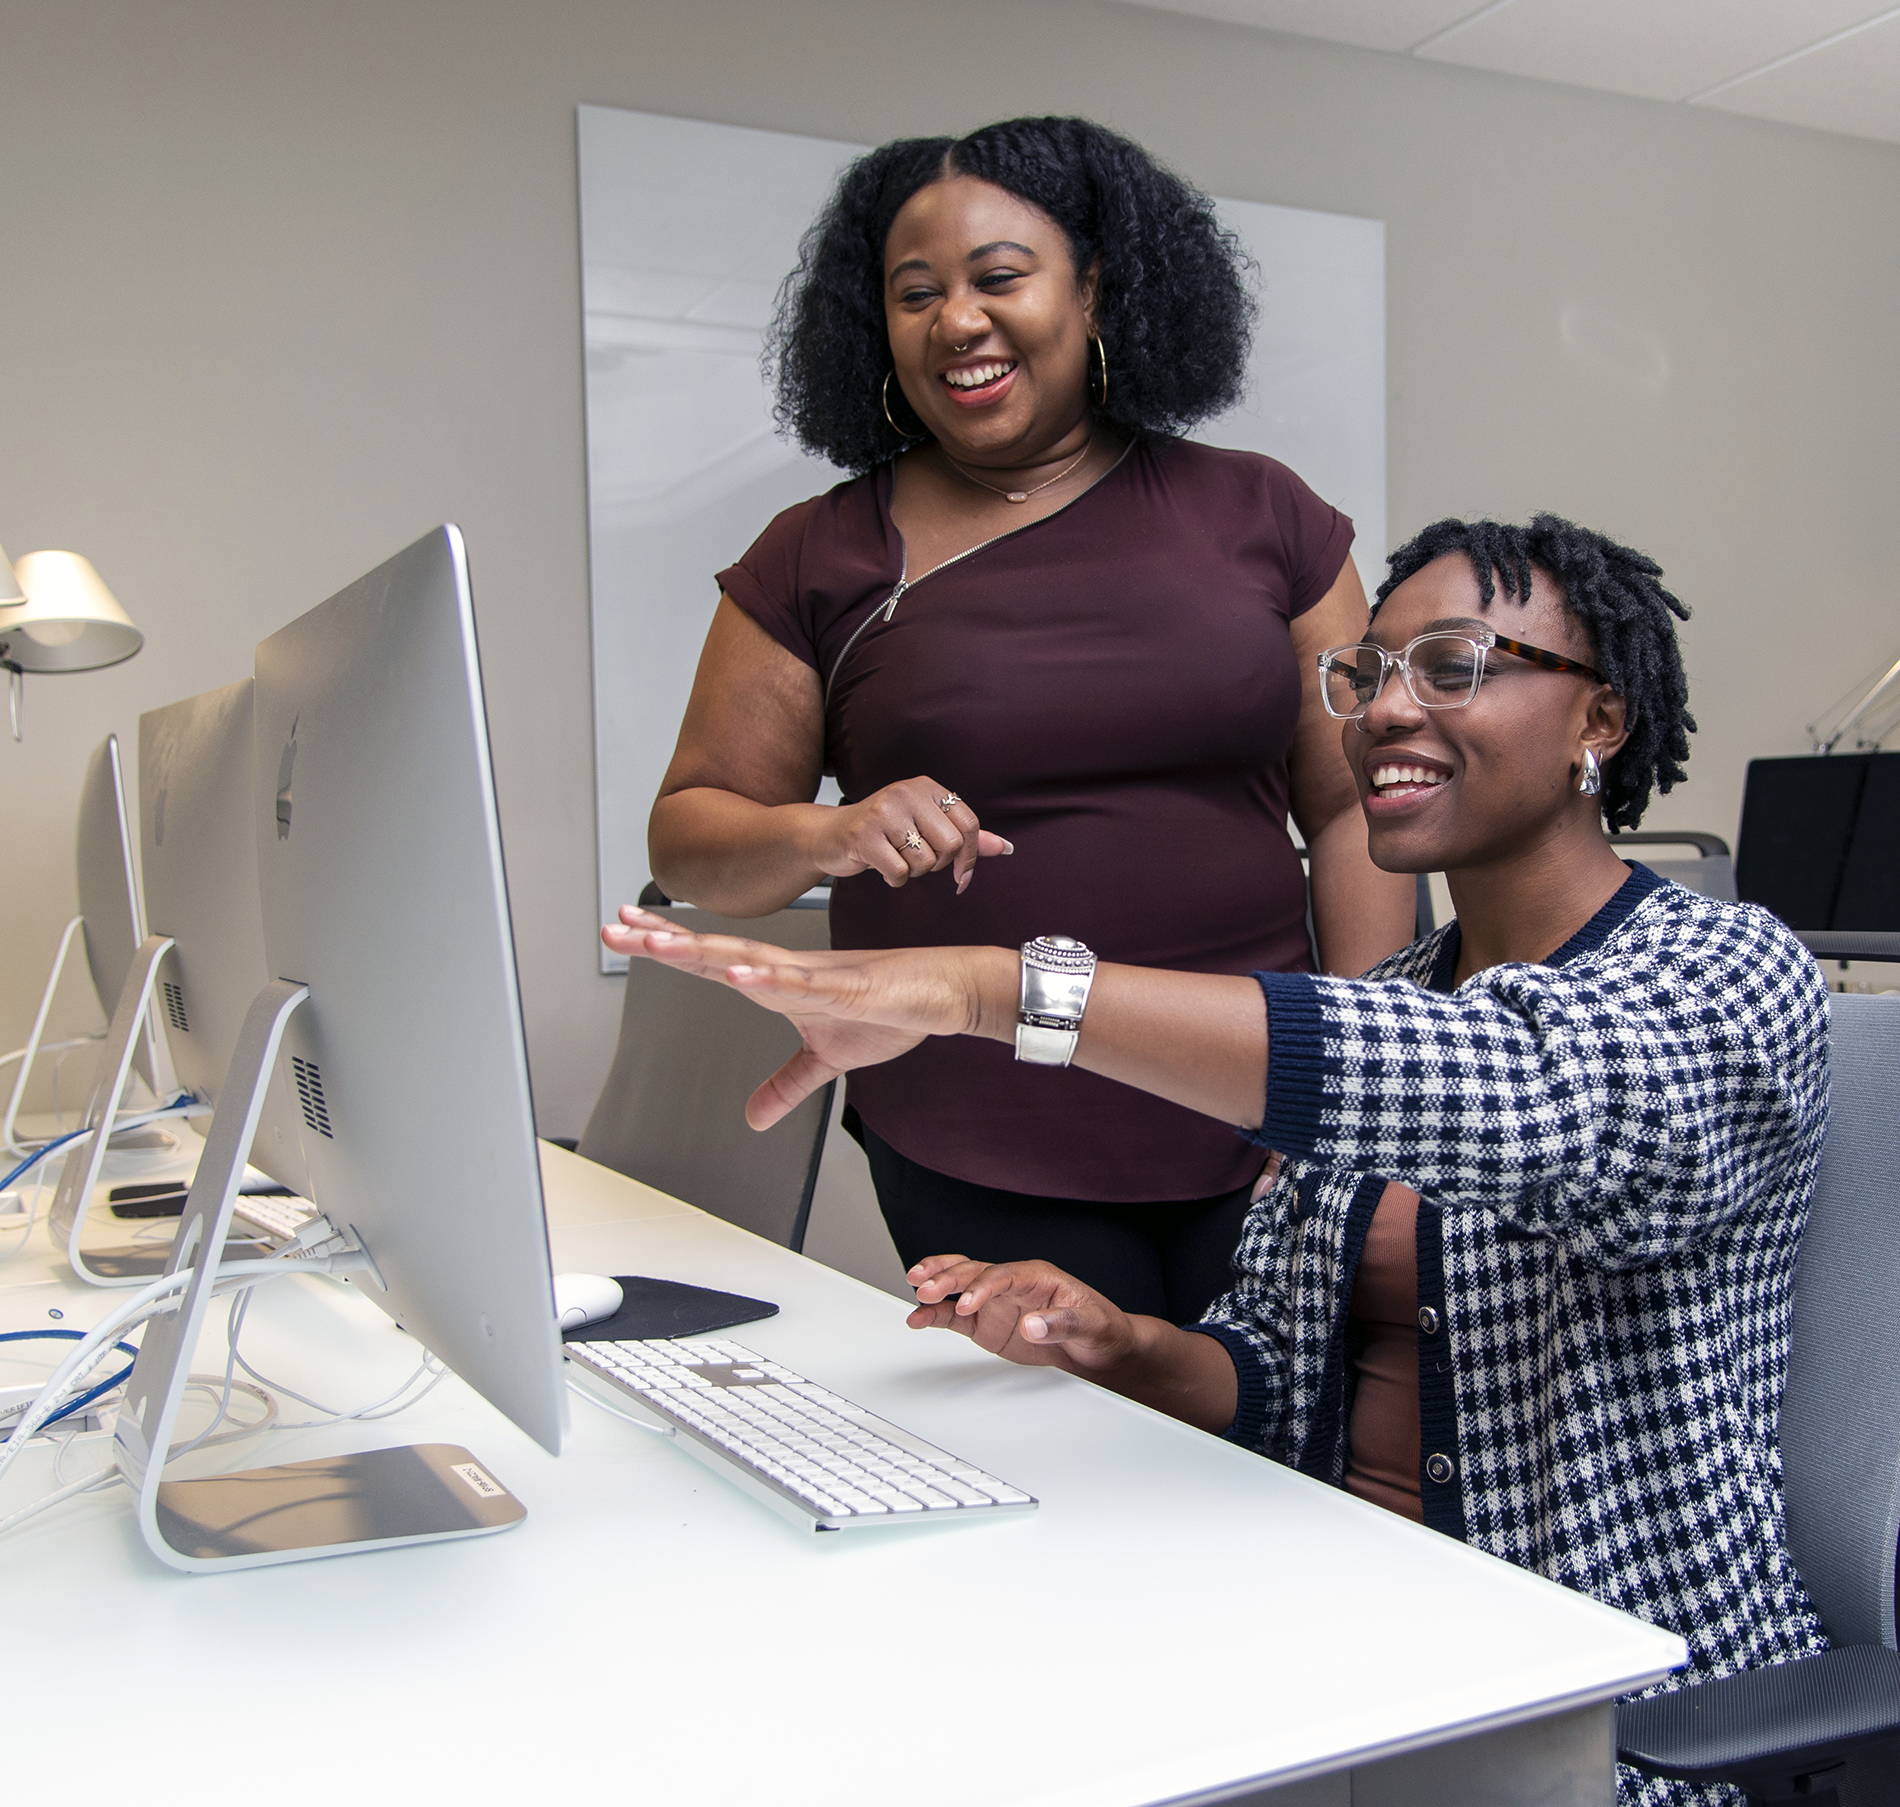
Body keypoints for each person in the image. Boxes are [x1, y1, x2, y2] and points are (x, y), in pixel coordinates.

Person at [608, 515, 1830, 1806]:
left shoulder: (1727, 972)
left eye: (1456, 664)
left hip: (1604, 1720)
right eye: (1365, 675)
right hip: (1341, 1657)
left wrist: (989, 986)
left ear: (1602, 720)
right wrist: (1116, 1342)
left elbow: (1521, 1093)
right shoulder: (1401, 989)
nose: (1386, 711)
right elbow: (1272, 1377)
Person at [645, 116, 1416, 1324]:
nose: (956, 320)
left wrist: (1367, 1083)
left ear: (1097, 288)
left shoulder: (1265, 514)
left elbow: (1352, 803)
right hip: (978, 1124)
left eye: (999, 277)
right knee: (1084, 1476)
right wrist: (826, 835)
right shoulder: (819, 553)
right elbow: (691, 837)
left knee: (1282, 1461)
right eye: (915, 294)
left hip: (1261, 1098)